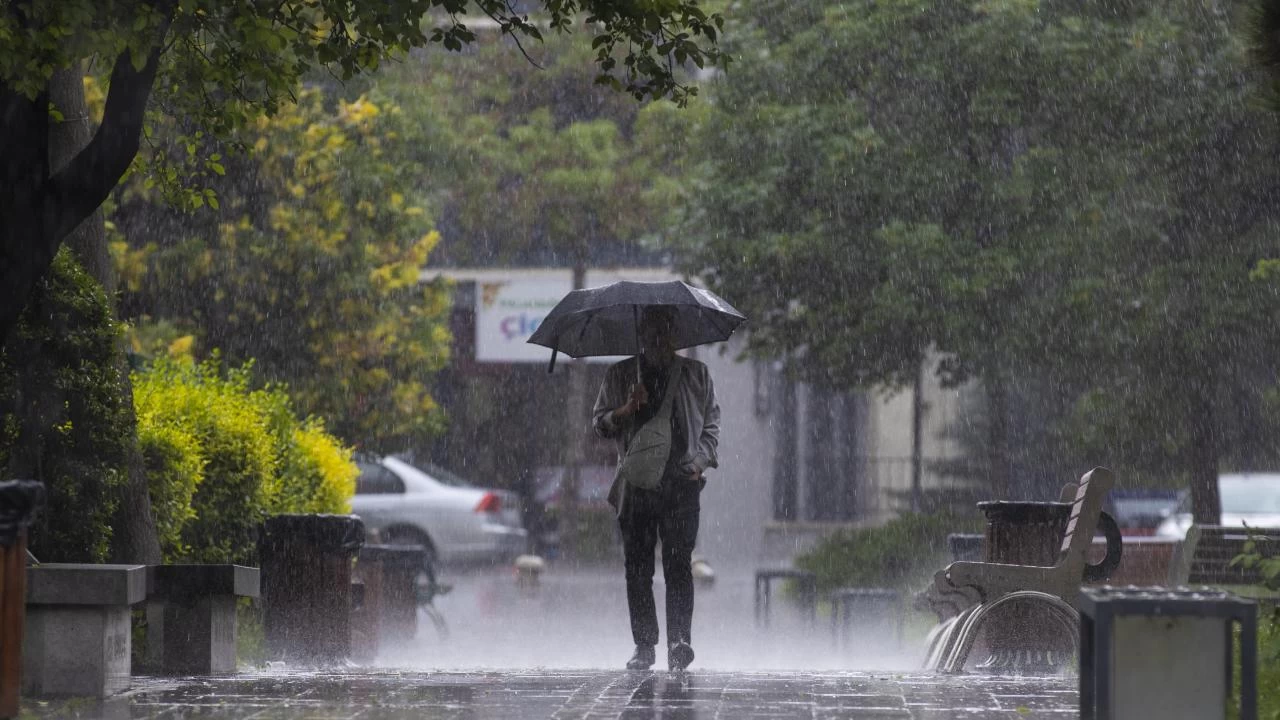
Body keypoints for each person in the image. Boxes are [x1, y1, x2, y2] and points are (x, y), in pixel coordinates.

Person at [592, 305, 721, 671]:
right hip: (636, 487)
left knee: (678, 564)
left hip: (682, 485)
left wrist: (699, 463)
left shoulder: (696, 374)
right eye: (649, 331)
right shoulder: (621, 375)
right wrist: (626, 409)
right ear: (641, 335)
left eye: (663, 330)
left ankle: (680, 643)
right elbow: (599, 424)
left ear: (673, 334)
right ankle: (645, 646)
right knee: (637, 568)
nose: (656, 338)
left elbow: (712, 423)